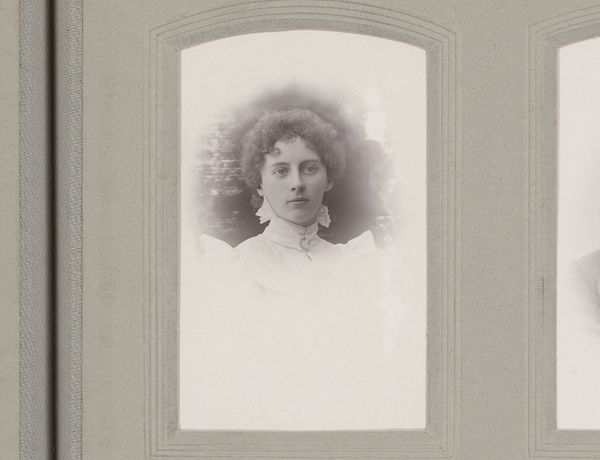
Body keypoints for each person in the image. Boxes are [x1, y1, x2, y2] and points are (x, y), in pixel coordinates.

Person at [179, 107, 424, 431]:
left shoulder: (360, 264)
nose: (297, 183)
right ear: (260, 184)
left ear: (329, 177)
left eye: (309, 168)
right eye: (281, 171)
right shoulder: (237, 268)